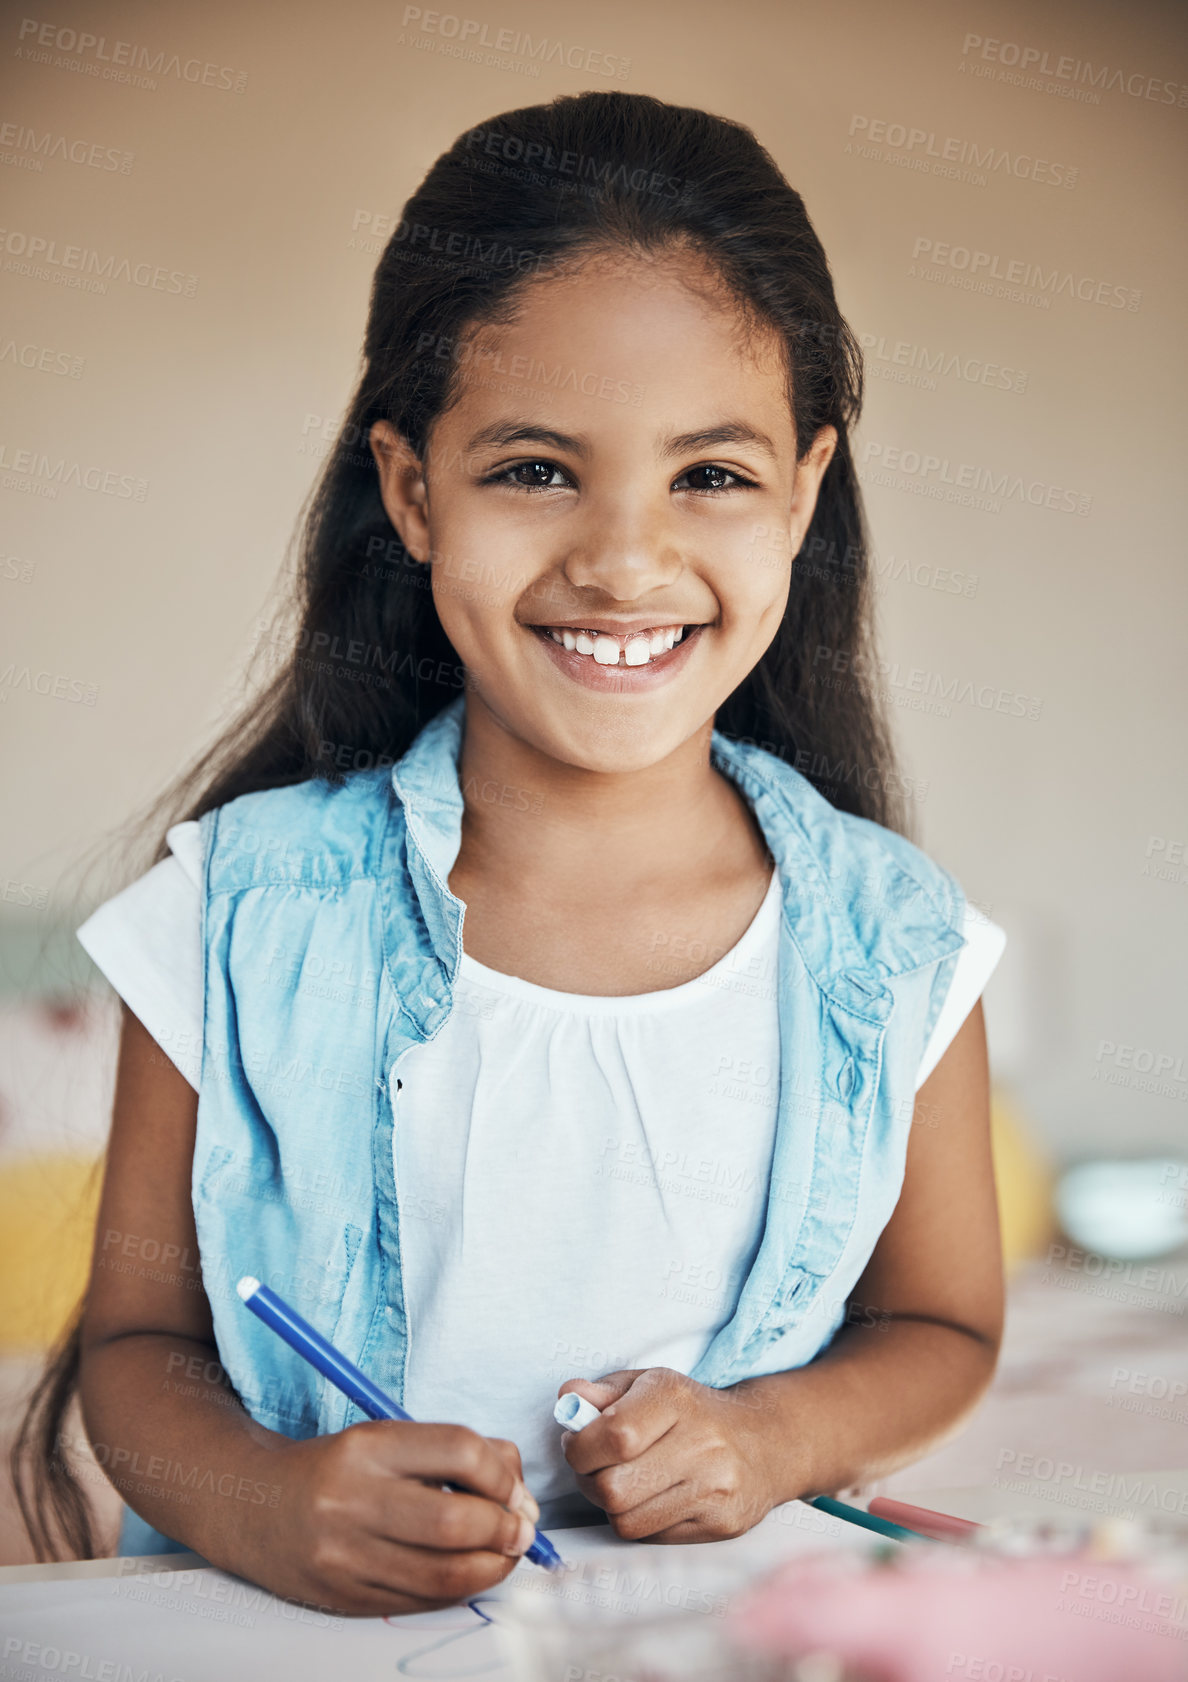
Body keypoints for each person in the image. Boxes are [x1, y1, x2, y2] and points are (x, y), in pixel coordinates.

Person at [16, 89, 1006, 1617]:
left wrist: (767, 1434)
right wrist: (276, 1502)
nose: (623, 557)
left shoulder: (897, 939)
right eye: (537, 468)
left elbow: (942, 1324)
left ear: (803, 493)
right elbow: (140, 1349)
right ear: (413, 490)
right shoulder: (241, 907)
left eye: (713, 474)